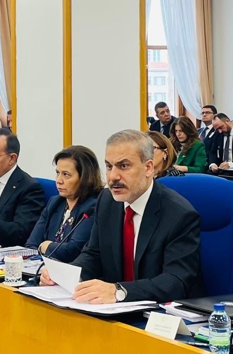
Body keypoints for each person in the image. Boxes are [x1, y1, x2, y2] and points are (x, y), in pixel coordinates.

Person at [40, 129, 203, 303]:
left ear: (148, 168)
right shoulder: (107, 200)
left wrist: (119, 291)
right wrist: (65, 276)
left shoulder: (178, 214)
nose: (113, 177)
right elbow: (93, 254)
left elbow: (175, 282)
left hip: (157, 311)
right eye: (109, 166)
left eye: (124, 166)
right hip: (112, 310)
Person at [26, 146, 103, 261]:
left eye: (66, 174)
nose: (58, 180)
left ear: (85, 178)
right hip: (43, 268)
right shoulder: (55, 202)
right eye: (58, 173)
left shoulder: (93, 207)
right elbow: (31, 245)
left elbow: (73, 251)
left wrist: (46, 246)